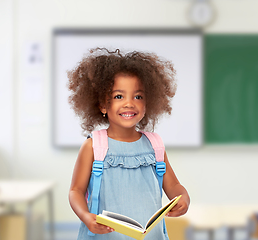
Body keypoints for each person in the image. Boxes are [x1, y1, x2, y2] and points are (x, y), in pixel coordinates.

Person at [68, 48, 190, 240]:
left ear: (147, 103)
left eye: (138, 96)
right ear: (102, 104)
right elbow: (76, 191)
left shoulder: (155, 145)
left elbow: (173, 185)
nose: (129, 103)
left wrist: (182, 197)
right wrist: (86, 216)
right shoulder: (94, 146)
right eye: (119, 96)